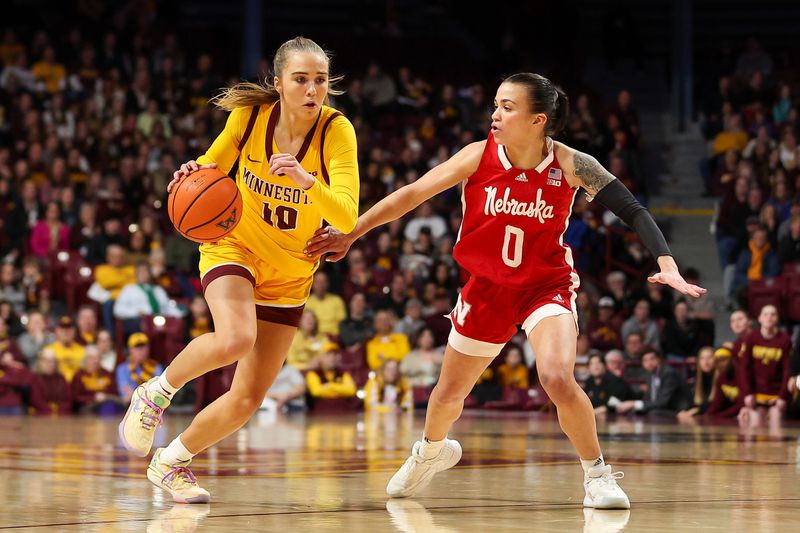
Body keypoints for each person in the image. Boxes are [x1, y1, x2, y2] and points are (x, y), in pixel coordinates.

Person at [306, 72, 704, 508]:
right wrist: (352, 233)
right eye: (496, 105)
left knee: (555, 375)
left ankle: (598, 475)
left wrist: (667, 265)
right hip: (487, 288)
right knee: (446, 395)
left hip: (544, 285)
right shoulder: (476, 156)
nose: (495, 114)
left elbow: (633, 210)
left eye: (507, 107)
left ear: (538, 120)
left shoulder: (571, 164)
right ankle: (430, 451)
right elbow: (412, 194)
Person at [118, 37, 359, 504]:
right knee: (234, 338)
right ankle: (155, 393)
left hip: (292, 271)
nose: (313, 90)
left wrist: (307, 180)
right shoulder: (248, 118)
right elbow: (210, 167)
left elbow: (347, 216)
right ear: (278, 83)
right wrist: (191, 174)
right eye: (301, 80)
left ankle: (172, 462)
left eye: (321, 81)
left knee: (248, 398)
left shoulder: (336, 131)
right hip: (234, 246)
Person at [737, 304, 792, 427]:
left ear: (777, 318)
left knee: (776, 423)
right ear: (760, 318)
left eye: (773, 314)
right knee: (755, 427)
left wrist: (783, 396)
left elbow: (786, 370)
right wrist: (747, 393)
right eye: (765, 314)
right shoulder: (751, 338)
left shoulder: (784, 340)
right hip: (755, 394)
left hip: (776, 394)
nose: (769, 317)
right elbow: (744, 368)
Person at [614, 348, 691, 416]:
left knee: (652, 412)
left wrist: (634, 403)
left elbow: (662, 402)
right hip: (662, 408)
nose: (649, 363)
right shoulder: (650, 375)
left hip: (678, 410)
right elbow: (650, 399)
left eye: (652, 359)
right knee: (635, 411)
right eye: (645, 360)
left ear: (658, 360)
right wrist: (634, 405)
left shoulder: (668, 373)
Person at [116, 333, 164, 404]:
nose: (141, 351)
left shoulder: (156, 367)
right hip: (130, 407)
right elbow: (126, 396)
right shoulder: (122, 369)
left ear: (148, 348)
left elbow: (159, 393)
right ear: (130, 349)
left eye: (144, 347)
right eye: (137, 347)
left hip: (153, 408)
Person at [676, 346, 716, 419]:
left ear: (716, 359)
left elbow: (716, 403)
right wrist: (684, 410)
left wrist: (698, 410)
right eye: (702, 358)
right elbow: (692, 402)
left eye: (709, 357)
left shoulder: (721, 378)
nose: (706, 362)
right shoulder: (697, 379)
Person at [303, 271, 346, 337]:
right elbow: (304, 325)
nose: (321, 285)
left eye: (323, 282)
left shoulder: (337, 300)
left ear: (328, 284)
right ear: (312, 284)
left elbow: (342, 323)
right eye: (318, 282)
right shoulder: (307, 303)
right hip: (313, 338)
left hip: (333, 338)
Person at [704, 346, 742, 418]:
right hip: (731, 414)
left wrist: (719, 416)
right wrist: (707, 416)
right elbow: (717, 403)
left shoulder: (741, 375)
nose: (720, 364)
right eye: (717, 361)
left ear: (732, 359)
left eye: (723, 360)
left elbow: (741, 404)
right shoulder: (721, 379)